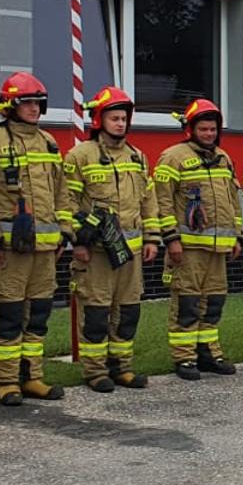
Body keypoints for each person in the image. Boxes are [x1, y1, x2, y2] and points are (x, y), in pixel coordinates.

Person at [0, 72, 74, 406]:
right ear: (10, 106)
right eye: (26, 102)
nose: (33, 108)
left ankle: (34, 377)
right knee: (11, 316)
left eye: (37, 102)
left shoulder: (49, 142)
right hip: (8, 251)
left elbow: (62, 192)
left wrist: (64, 232)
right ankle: (7, 381)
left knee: (38, 315)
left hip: (45, 250)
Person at [62, 86, 163, 392]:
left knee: (128, 311)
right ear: (99, 120)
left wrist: (152, 238)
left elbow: (149, 201)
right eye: (114, 118)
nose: (120, 123)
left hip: (130, 252)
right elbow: (66, 201)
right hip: (95, 253)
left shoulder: (138, 156)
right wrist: (76, 242)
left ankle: (122, 367)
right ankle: (95, 372)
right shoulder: (80, 155)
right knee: (96, 311)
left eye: (124, 118)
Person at [154, 99, 242, 381]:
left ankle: (208, 353)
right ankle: (185, 357)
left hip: (218, 248)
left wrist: (237, 237)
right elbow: (162, 202)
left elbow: (232, 200)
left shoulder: (224, 158)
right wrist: (171, 240)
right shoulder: (173, 157)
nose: (208, 134)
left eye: (213, 129)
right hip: (189, 247)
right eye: (203, 128)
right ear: (189, 129)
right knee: (187, 303)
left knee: (213, 303)